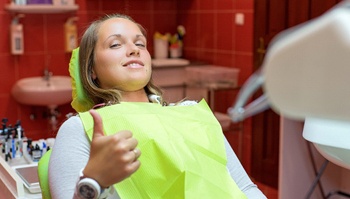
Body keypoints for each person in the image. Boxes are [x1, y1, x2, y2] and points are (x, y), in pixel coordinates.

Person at [48, 13, 267, 199]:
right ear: (91, 69)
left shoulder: (191, 113)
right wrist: (93, 182)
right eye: (115, 44)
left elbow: (245, 188)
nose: (134, 50)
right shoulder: (80, 129)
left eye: (140, 43)